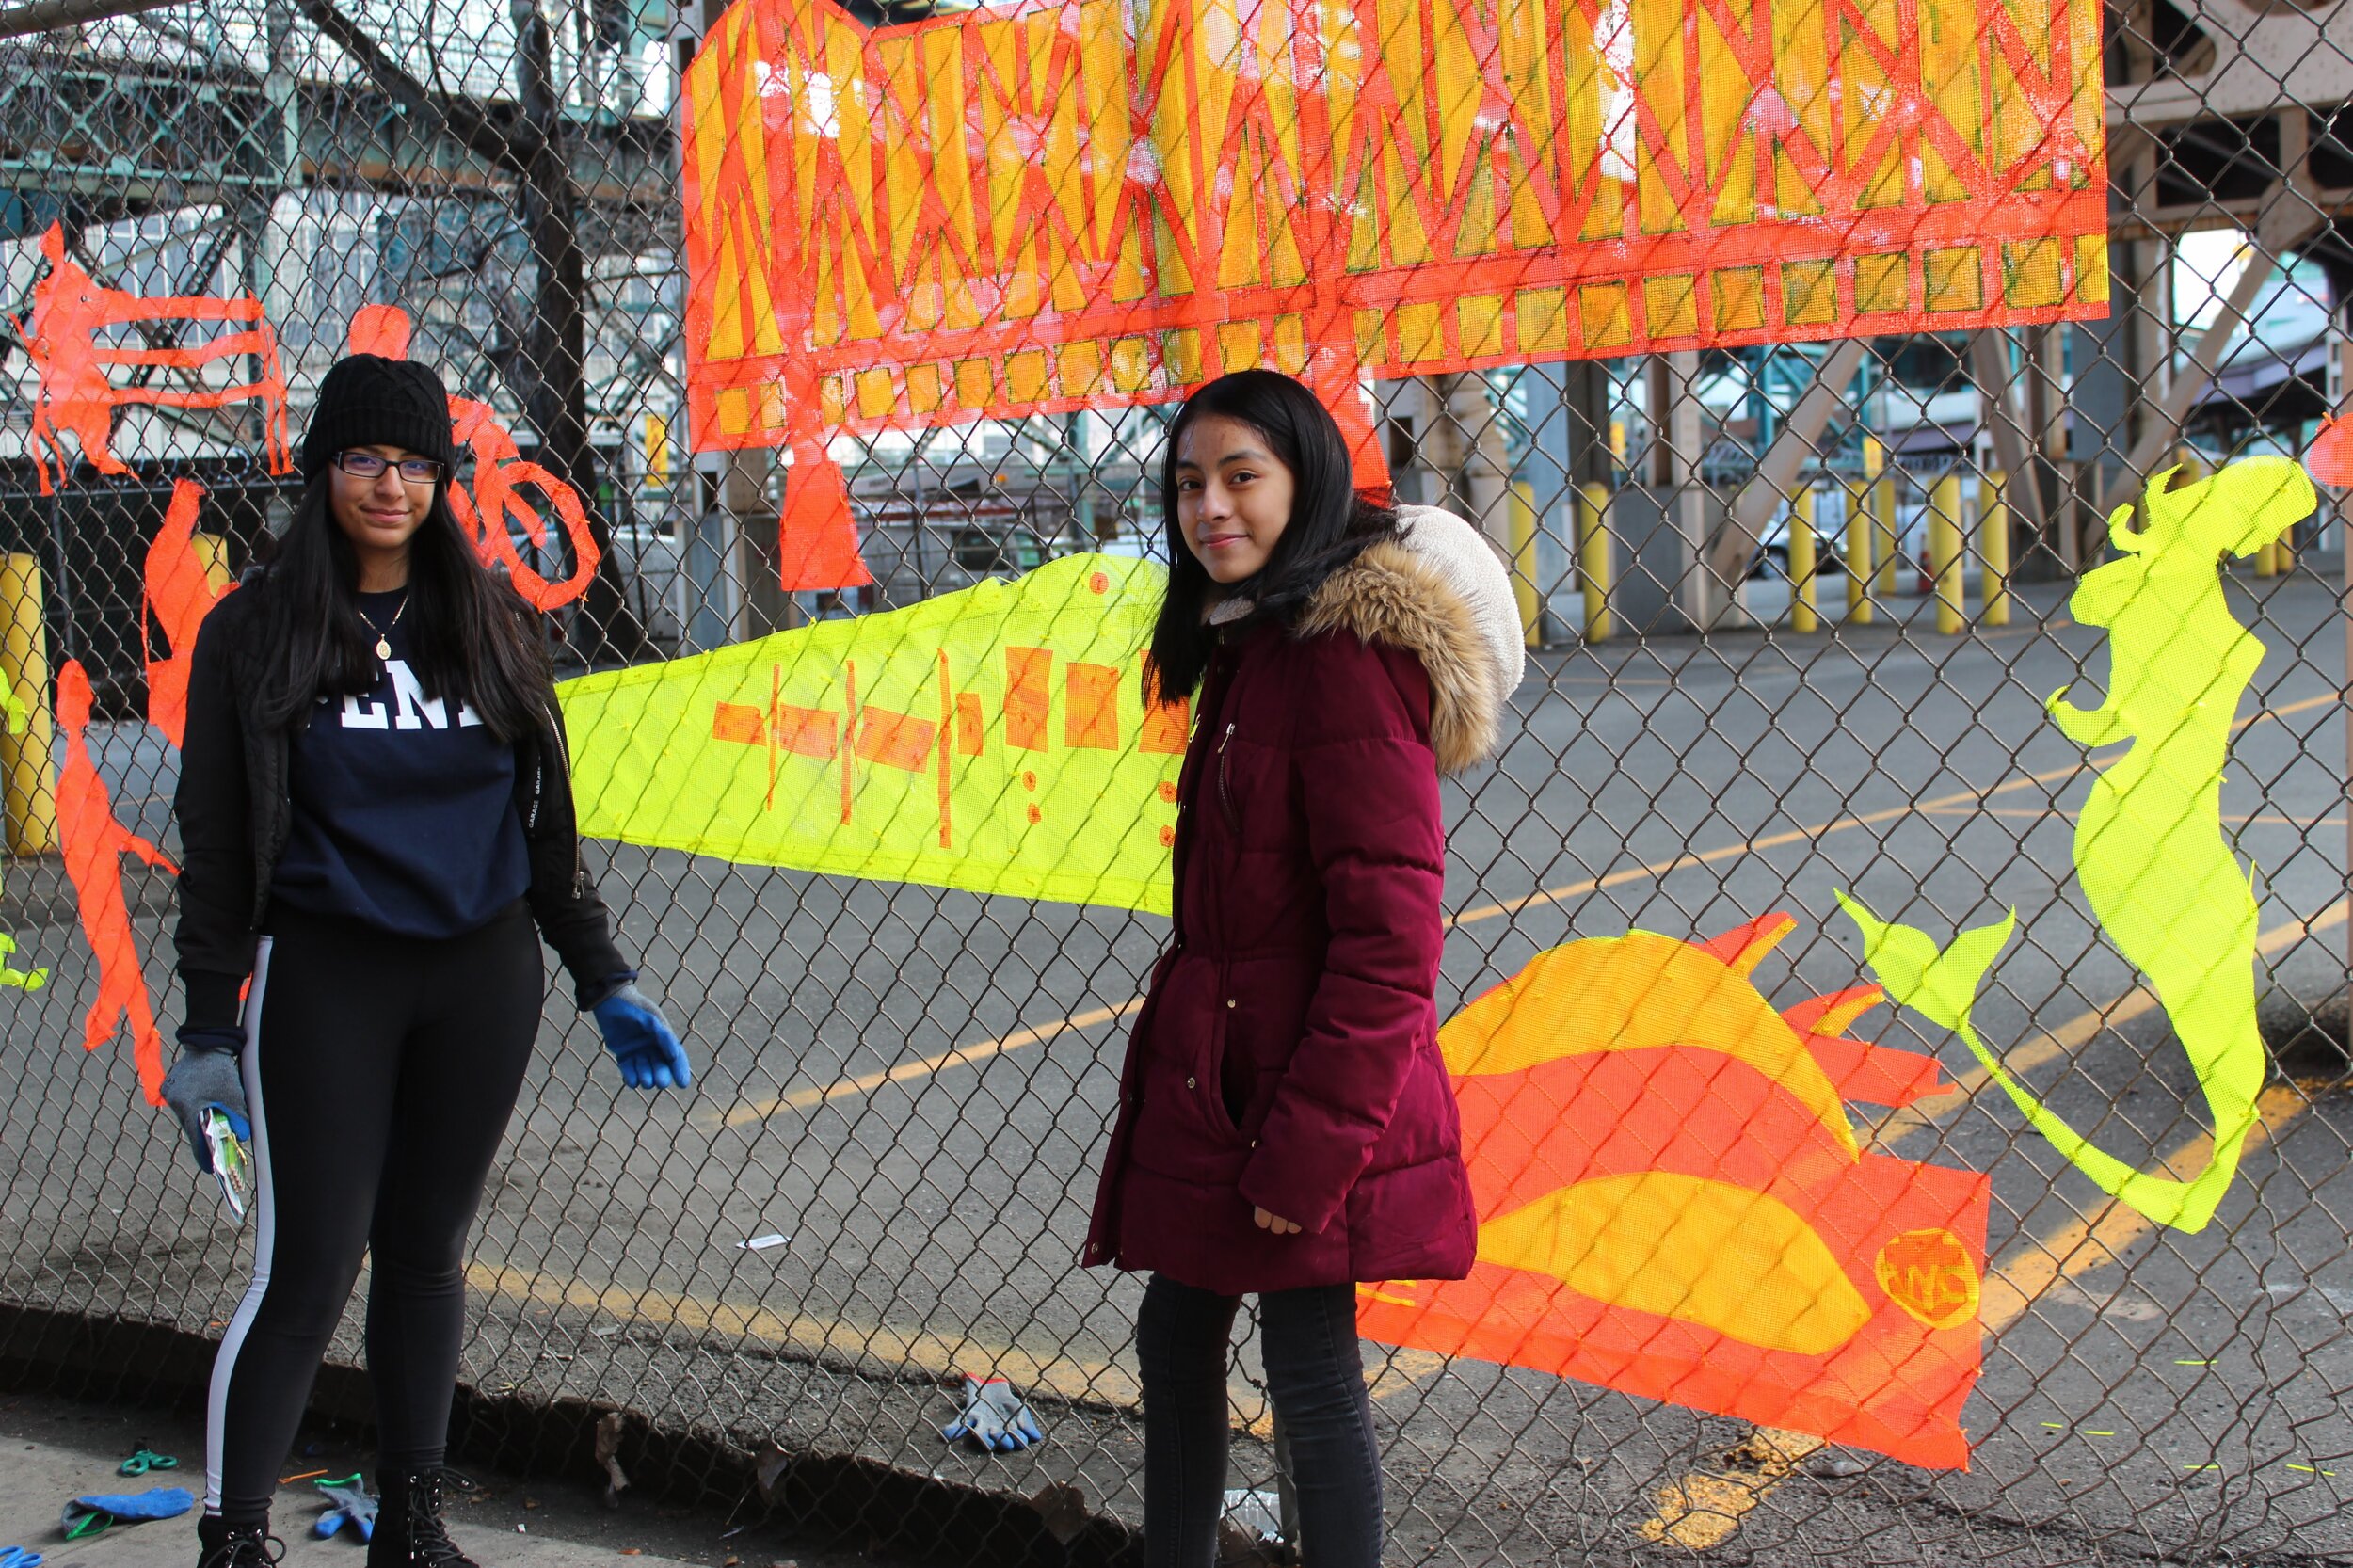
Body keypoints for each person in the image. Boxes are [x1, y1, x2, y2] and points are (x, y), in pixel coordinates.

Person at [159, 354, 694, 1568]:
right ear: (321, 468)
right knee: (307, 1264)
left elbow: (543, 823)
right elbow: (216, 835)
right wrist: (203, 1025)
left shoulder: (491, 620)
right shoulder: (254, 628)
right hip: (329, 977)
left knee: (425, 1251)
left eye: (412, 462)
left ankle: (412, 1523)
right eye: (362, 458)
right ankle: (234, 1539)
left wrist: (599, 973)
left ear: (441, 477)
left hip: (481, 976)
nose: (389, 484)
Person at [1083, 370, 1523, 1565]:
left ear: (1307, 484)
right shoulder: (1254, 642)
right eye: (1188, 484)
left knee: (1307, 1363)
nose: (1209, 508)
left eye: (1241, 478)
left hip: (1294, 1092)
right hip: (1227, 1075)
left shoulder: (1336, 660)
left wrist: (1311, 1148)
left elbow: (1392, 945)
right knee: (1178, 1334)